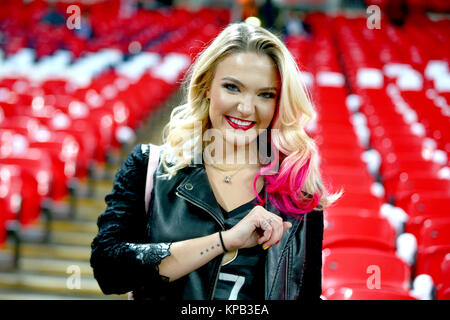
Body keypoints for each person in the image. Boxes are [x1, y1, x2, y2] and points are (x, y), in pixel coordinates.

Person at [90, 22, 338, 300]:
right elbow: (108, 270)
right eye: (233, 88)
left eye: (265, 94)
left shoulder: (299, 188)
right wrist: (225, 241)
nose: (246, 108)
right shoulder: (148, 166)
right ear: (207, 86)